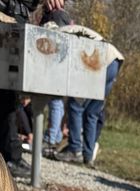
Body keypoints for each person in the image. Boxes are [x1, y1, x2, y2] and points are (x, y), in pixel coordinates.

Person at [0, 0, 65, 180]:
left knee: (6, 89)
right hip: (2, 14)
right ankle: (8, 156)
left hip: (9, 16)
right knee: (7, 89)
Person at [52, 21, 124, 167]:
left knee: (75, 105)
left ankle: (74, 150)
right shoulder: (70, 29)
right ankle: (88, 156)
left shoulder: (59, 35)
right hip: (114, 60)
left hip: (101, 59)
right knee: (92, 112)